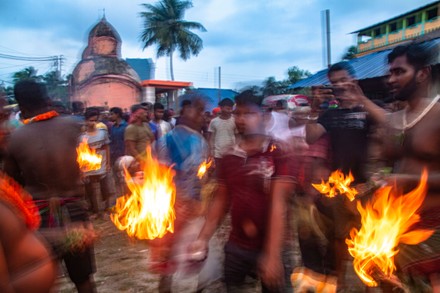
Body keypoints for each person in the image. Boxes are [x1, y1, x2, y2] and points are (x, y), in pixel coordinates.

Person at [190, 90, 297, 292]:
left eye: (248, 114)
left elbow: (279, 205)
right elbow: (221, 201)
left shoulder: (278, 152)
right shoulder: (230, 156)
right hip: (237, 245)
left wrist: (272, 255)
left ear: (264, 116)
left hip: (273, 245)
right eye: (237, 114)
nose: (240, 119)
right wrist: (202, 239)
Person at [4, 80, 97, 293]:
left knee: (42, 277)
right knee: (83, 279)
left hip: (39, 216)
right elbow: (91, 164)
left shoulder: (16, 138)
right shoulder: (75, 126)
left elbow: (12, 185)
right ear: (47, 99)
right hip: (75, 212)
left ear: (22, 107)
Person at [304, 61, 386, 290]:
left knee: (370, 237)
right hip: (340, 187)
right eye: (334, 82)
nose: (339, 85)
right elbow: (310, 138)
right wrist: (314, 109)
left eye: (343, 80)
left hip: (368, 185)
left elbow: (389, 123)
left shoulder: (369, 108)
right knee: (339, 238)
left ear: (353, 79)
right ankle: (340, 282)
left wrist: (361, 98)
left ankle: (370, 284)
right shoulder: (330, 115)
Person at [381, 42, 440, 290]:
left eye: (399, 72)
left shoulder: (438, 116)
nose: (391, 79)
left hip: (433, 229)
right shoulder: (393, 120)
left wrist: (408, 180)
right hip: (398, 224)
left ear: (423, 73)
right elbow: (388, 165)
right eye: (390, 73)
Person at [155, 97, 219, 292]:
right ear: (184, 111)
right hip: (173, 211)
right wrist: (177, 204)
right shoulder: (167, 141)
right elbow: (158, 179)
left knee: (198, 261)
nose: (202, 115)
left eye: (203, 111)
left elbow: (202, 176)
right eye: (197, 110)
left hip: (194, 211)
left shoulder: (199, 140)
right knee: (171, 259)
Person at [80, 107, 113, 217]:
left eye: (95, 120)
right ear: (86, 121)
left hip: (103, 164)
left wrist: (108, 163)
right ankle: (96, 211)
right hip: (90, 167)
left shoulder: (102, 133)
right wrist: (82, 171)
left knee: (107, 188)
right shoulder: (82, 137)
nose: (93, 123)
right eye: (91, 120)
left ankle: (107, 209)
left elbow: (107, 147)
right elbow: (81, 155)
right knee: (93, 190)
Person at [206, 98, 237, 168]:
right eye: (228, 109)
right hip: (218, 154)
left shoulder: (235, 121)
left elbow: (237, 136)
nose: (230, 111)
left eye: (231, 109)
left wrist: (235, 149)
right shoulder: (214, 121)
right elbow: (211, 138)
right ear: (221, 108)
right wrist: (210, 152)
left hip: (231, 154)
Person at [108, 107, 128, 197]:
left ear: (117, 115)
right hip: (114, 156)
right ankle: (120, 198)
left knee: (125, 179)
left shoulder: (126, 127)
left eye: (112, 114)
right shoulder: (112, 127)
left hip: (123, 157)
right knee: (116, 180)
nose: (110, 116)